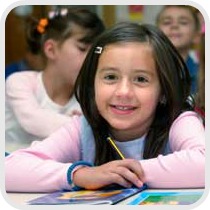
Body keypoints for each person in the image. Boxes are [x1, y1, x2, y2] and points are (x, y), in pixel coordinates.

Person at [5, 22, 205, 192]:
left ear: (163, 90)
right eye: (110, 77)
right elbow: (9, 168)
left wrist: (122, 173)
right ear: (93, 83)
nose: (123, 92)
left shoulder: (179, 121)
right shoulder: (83, 129)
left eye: (141, 79)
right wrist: (79, 175)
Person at [5, 7, 105, 153]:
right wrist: (83, 126)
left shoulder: (87, 96)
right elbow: (33, 120)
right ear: (51, 50)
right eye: (83, 49)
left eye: (96, 53)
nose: (92, 60)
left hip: (54, 168)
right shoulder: (19, 82)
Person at [156, 5, 201, 95]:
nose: (174, 26)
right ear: (155, 33)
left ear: (196, 35)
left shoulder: (203, 74)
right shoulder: (147, 70)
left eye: (183, 22)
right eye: (167, 22)